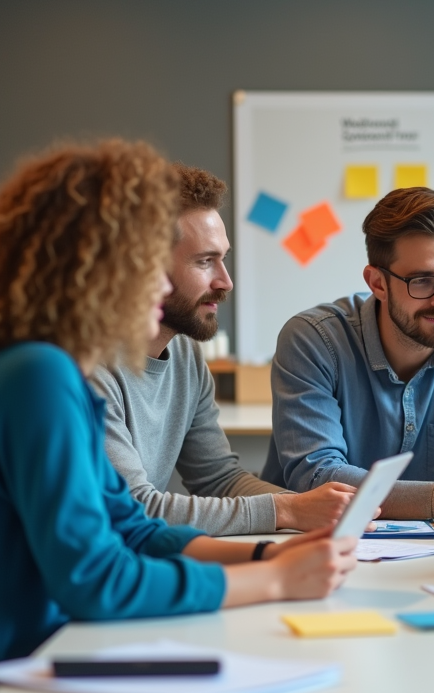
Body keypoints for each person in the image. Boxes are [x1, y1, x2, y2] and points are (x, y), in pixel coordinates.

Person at [0, 141, 357, 693]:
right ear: (92, 267)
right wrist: (275, 583)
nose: (160, 280)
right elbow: (99, 580)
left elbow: (131, 528)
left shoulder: (53, 371)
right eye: (148, 260)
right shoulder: (35, 377)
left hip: (43, 669)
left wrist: (262, 556)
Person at [91, 165, 356, 536]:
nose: (225, 281)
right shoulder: (85, 367)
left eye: (223, 258)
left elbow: (219, 478)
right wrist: (287, 510)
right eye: (204, 261)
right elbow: (135, 506)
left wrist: (311, 508)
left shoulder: (184, 354)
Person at [261, 187, 434, 524]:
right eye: (422, 281)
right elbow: (316, 475)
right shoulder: (314, 339)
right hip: (307, 540)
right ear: (378, 283)